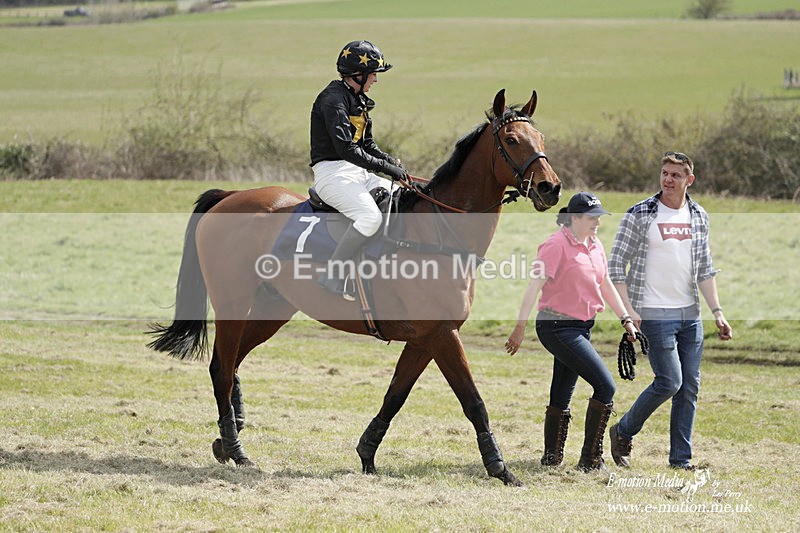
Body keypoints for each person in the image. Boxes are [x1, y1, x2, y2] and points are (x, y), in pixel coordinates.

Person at [607, 151, 733, 470]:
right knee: (670, 381)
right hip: (653, 313)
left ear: (689, 180)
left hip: (690, 316)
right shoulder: (641, 213)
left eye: (675, 175)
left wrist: (717, 311)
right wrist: (629, 310)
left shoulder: (699, 216)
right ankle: (623, 431)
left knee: (689, 386)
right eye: (664, 173)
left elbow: (705, 268)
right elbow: (616, 266)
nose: (667, 179)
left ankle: (680, 459)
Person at [505, 192, 639, 472]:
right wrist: (520, 327)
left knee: (562, 391)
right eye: (592, 218)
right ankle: (590, 460)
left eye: (599, 218)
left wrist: (625, 317)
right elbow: (534, 286)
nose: (597, 223)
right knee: (605, 386)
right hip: (555, 326)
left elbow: (604, 283)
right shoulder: (554, 246)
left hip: (582, 326)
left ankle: (551, 457)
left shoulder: (595, 244)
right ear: (574, 218)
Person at [309, 40, 408, 300]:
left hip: (357, 171)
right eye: (373, 73)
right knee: (370, 218)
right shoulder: (332, 100)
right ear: (358, 74)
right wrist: (385, 168)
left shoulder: (357, 99)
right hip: (332, 173)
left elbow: (366, 144)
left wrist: (390, 161)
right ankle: (333, 274)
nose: (375, 79)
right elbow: (346, 150)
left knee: (402, 197)